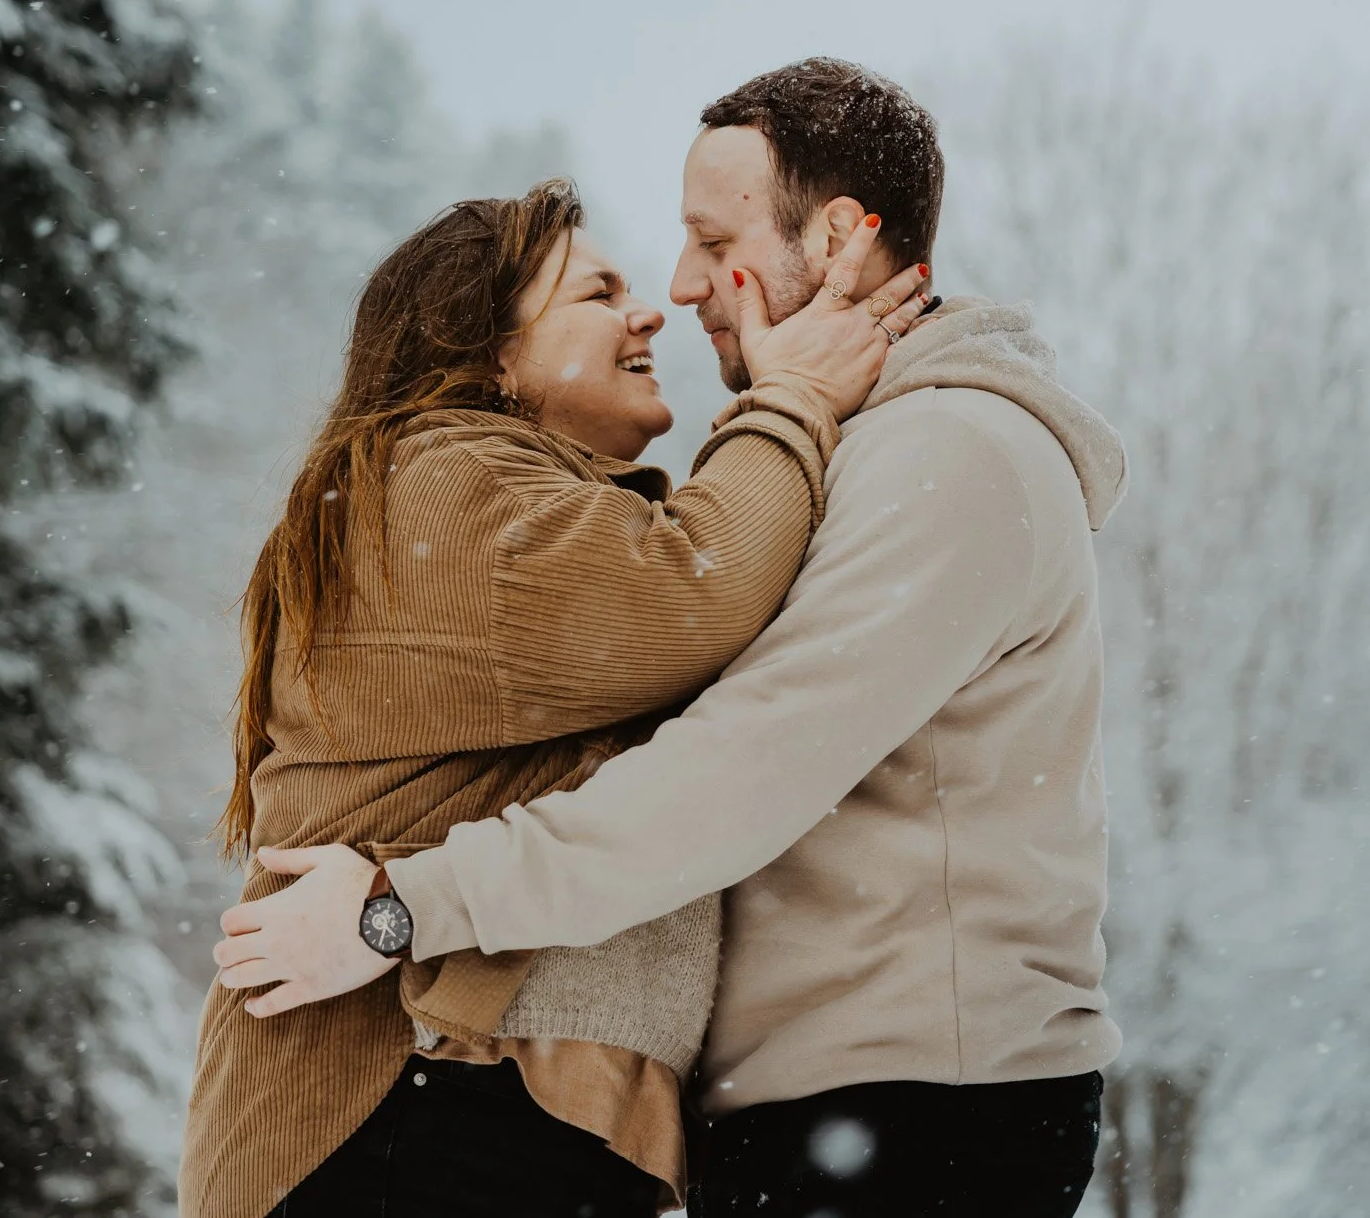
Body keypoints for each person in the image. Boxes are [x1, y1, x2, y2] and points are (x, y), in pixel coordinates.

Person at [214, 58, 1129, 1217]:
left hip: (910, 1103)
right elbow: (684, 610)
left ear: (843, 240)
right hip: (766, 1109)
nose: (679, 286)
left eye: (708, 240)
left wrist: (400, 908)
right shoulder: (494, 488)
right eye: (611, 285)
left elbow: (735, 766)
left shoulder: (944, 454)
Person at [178, 177, 930, 1218]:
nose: (648, 311)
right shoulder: (437, 479)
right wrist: (792, 399)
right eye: (595, 294)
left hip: (478, 1112)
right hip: (409, 1113)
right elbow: (692, 591)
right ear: (485, 352)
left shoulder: (494, 495)